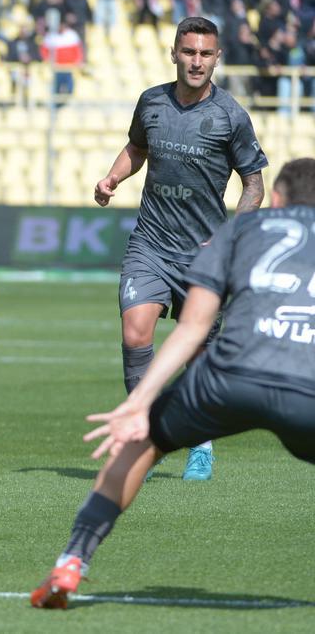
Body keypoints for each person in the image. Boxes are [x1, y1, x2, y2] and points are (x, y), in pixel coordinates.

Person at [32, 157, 315, 609]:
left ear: (276, 200)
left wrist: (140, 403)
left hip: (229, 376)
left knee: (141, 446)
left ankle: (72, 561)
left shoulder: (239, 230)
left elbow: (193, 327)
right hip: (308, 386)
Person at [94, 17, 268, 482]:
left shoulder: (230, 116)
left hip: (204, 255)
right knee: (136, 333)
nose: (196, 61)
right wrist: (113, 177)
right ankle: (142, 436)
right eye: (188, 52)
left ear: (217, 58)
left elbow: (254, 184)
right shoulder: (151, 101)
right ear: (174, 53)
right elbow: (136, 147)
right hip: (150, 242)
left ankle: (201, 441)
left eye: (205, 54)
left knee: (199, 355)